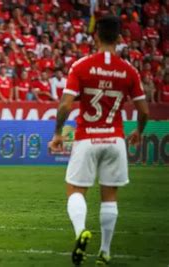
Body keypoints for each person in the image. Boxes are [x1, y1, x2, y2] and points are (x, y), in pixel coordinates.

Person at [48, 16, 149, 266]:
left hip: (87, 139)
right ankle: (105, 252)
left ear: (95, 37)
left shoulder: (81, 66)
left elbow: (65, 105)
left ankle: (81, 231)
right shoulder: (129, 70)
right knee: (109, 196)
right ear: (119, 39)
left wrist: (58, 133)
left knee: (75, 190)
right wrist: (139, 130)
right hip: (115, 139)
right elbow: (144, 110)